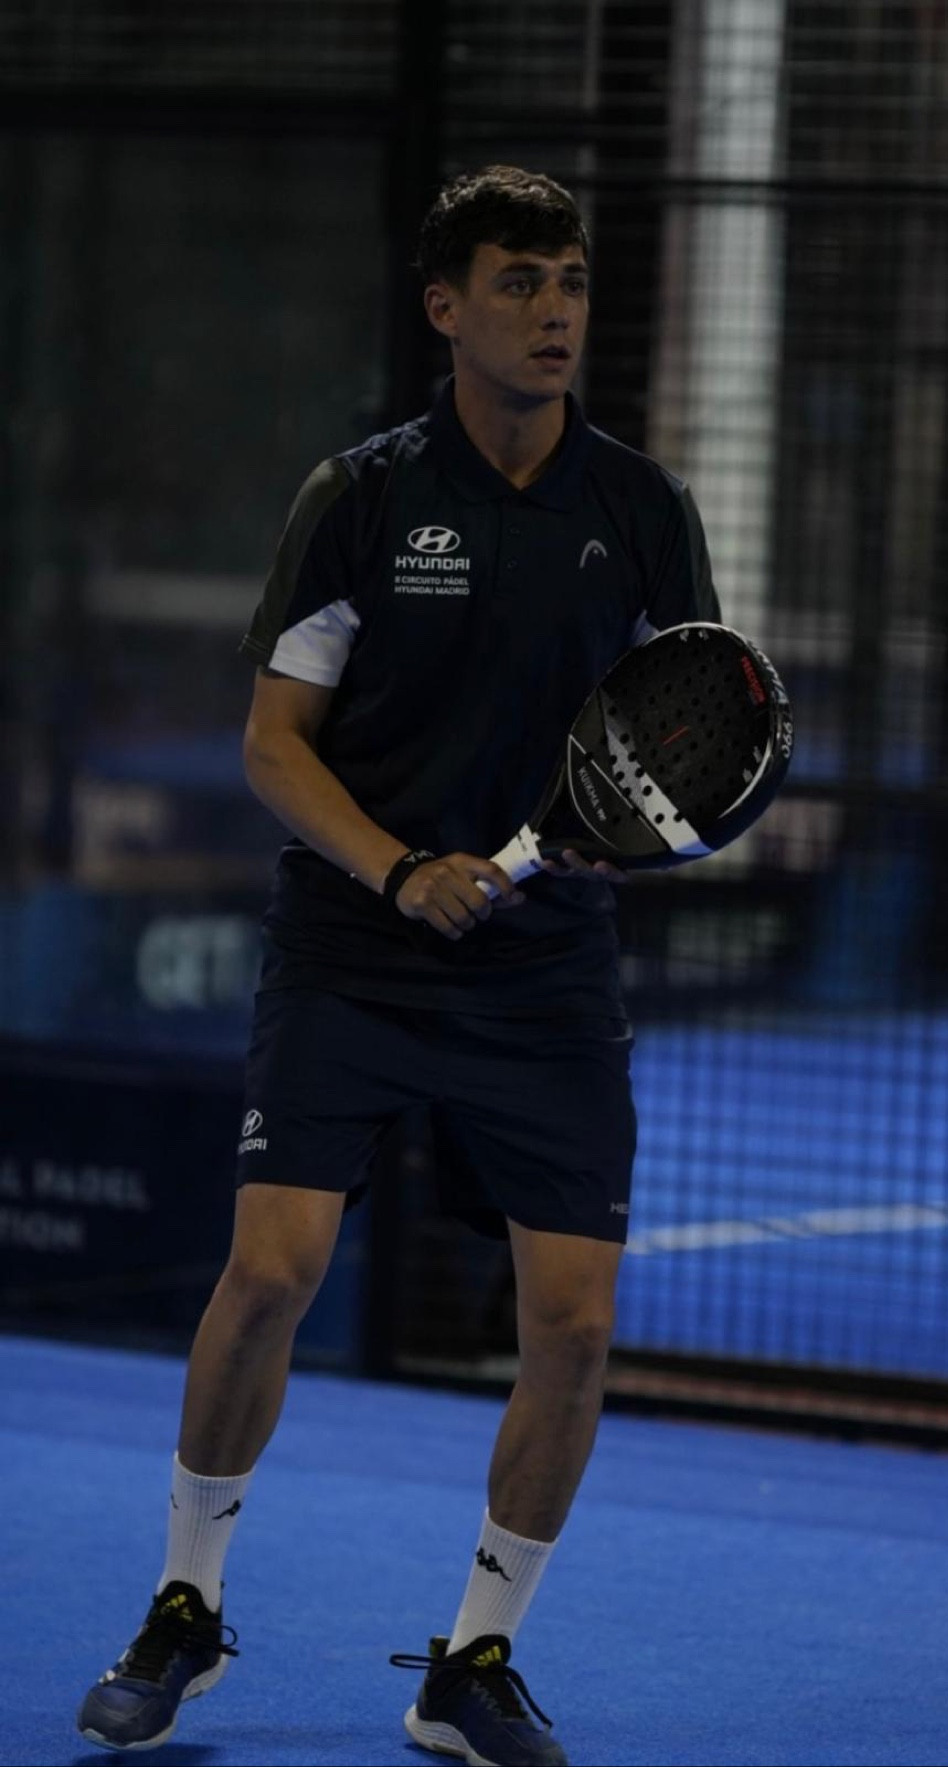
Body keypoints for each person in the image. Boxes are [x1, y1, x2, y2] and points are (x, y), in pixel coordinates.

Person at [76, 164, 719, 1767]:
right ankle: (183, 1607)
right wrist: (401, 869)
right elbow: (273, 747)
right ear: (447, 308)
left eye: (571, 282)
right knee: (272, 1271)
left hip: (546, 970)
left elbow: (686, 737)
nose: (555, 312)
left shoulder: (642, 512)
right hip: (353, 951)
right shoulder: (360, 498)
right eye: (518, 283)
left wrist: (618, 847)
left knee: (574, 1324)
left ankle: (474, 1663)